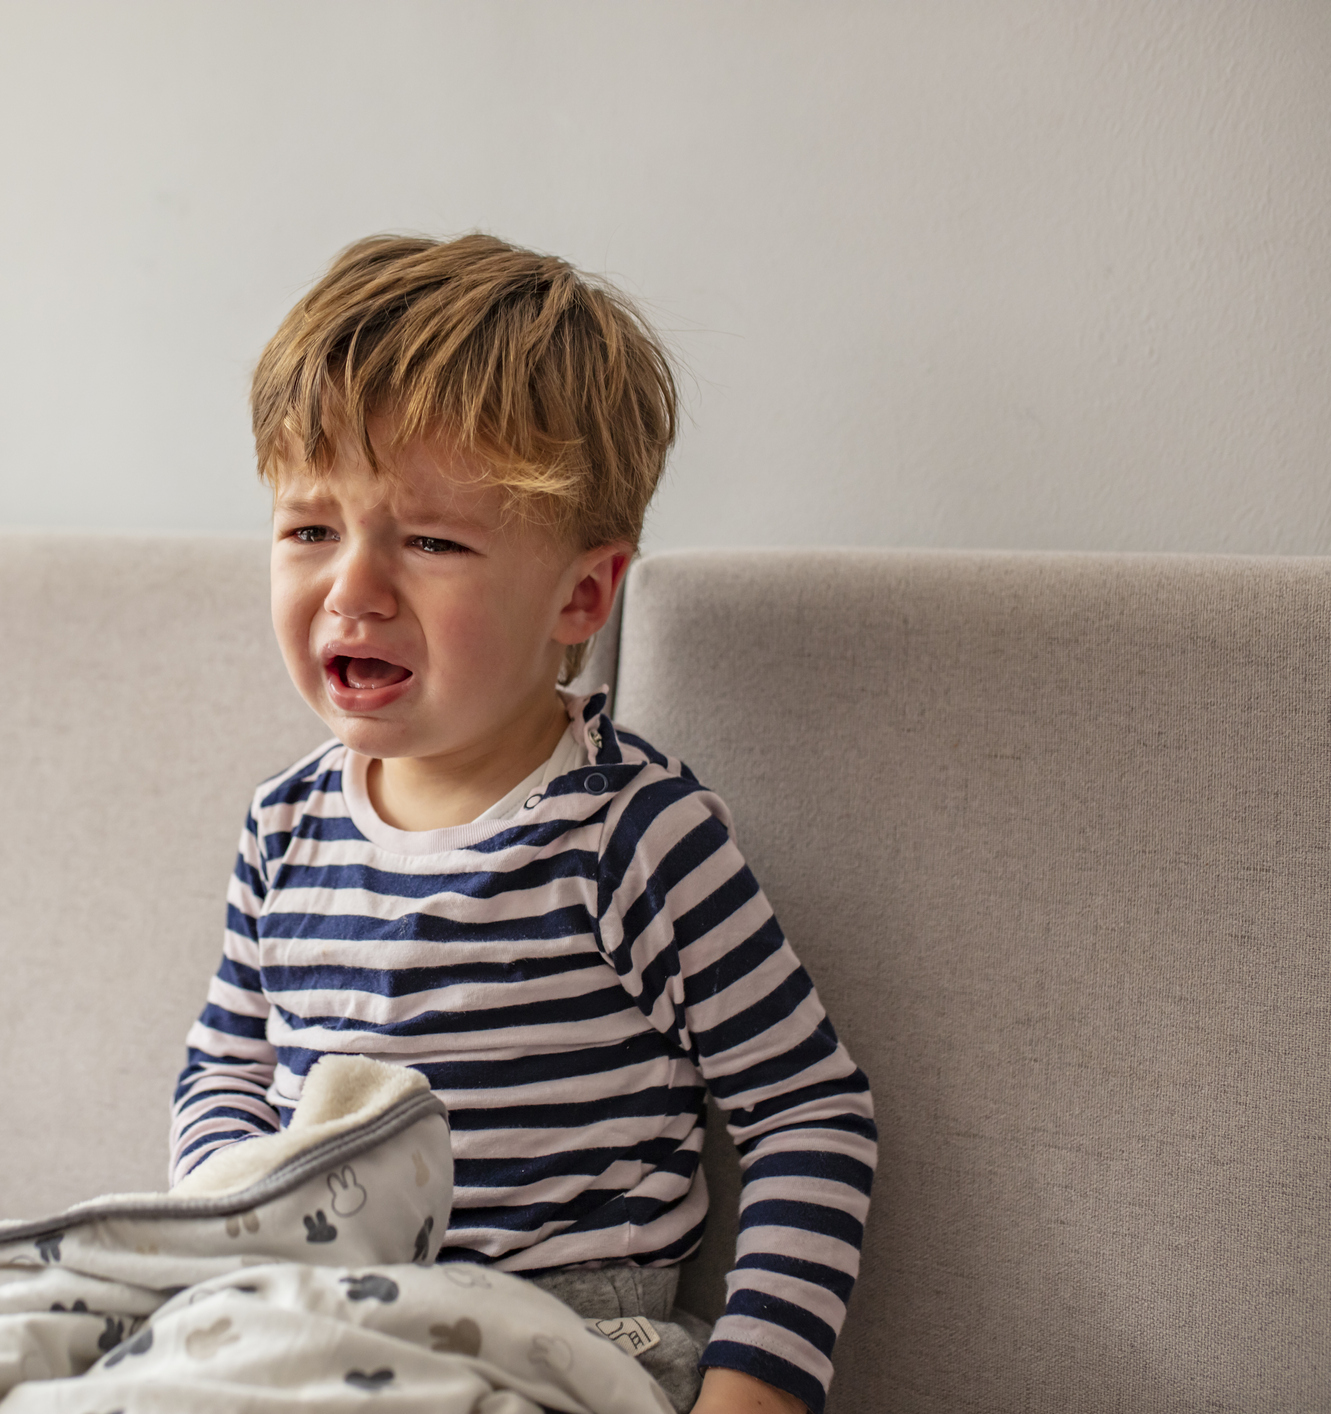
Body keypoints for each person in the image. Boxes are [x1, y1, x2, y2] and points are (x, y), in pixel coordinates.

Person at [169, 232, 875, 1414]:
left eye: (432, 540)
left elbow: (811, 1110)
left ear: (582, 596)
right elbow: (227, 1067)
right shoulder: (284, 827)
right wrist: (230, 1233)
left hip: (557, 1347)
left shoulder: (633, 836)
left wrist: (758, 1389)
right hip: (310, 1317)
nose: (353, 587)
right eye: (309, 529)